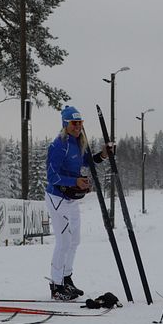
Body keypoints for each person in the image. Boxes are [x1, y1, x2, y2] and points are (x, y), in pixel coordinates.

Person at [45, 106, 112, 301]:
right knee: (64, 241)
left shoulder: (77, 142)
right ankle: (56, 285)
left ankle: (66, 278)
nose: (77, 127)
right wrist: (74, 181)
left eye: (80, 123)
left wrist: (104, 155)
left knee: (75, 240)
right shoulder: (59, 145)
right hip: (56, 198)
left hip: (71, 199)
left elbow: (88, 162)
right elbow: (51, 176)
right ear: (65, 124)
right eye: (74, 123)